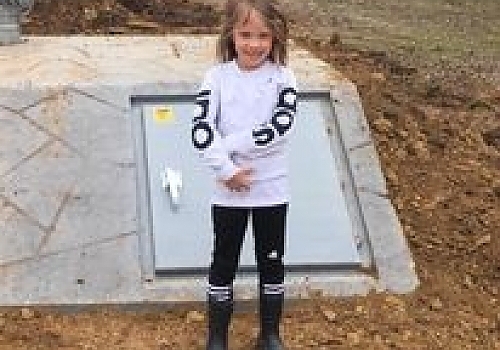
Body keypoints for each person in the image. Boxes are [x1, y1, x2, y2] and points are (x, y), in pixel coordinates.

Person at [191, 0, 297, 349]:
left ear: (275, 38)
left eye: (263, 36)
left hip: (271, 190)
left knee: (272, 260)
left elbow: (279, 128)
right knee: (224, 261)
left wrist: (229, 144)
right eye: (245, 34)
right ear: (231, 35)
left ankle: (269, 335)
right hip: (227, 189)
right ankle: (216, 338)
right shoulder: (216, 77)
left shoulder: (284, 78)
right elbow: (201, 129)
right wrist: (227, 168)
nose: (254, 44)